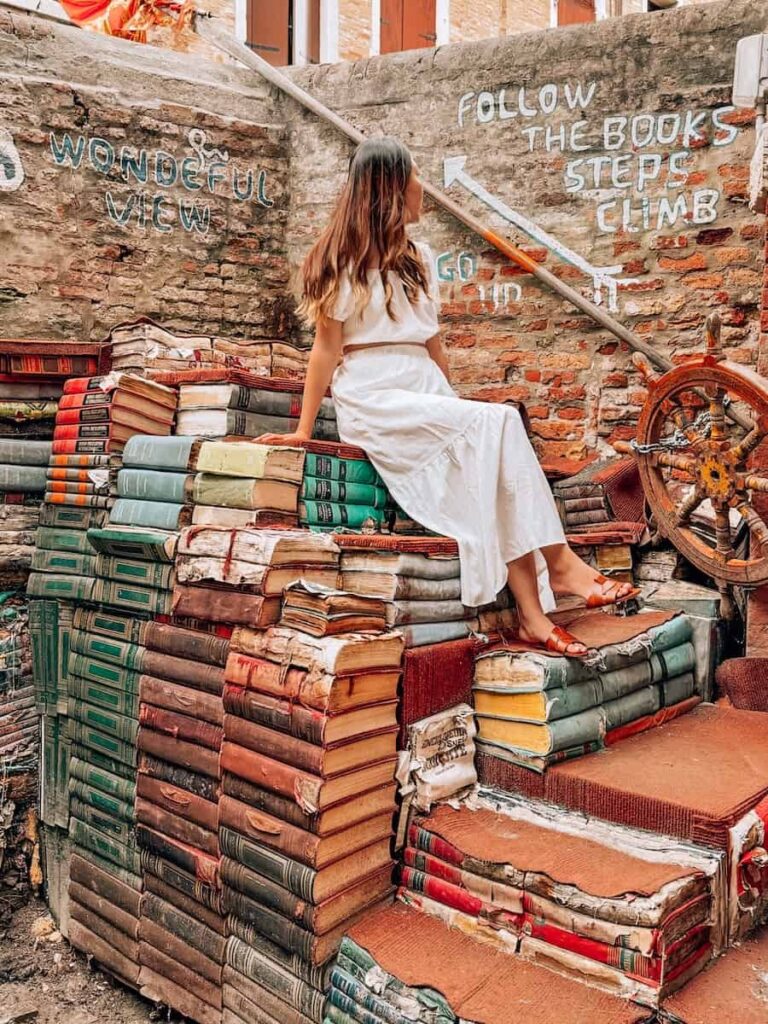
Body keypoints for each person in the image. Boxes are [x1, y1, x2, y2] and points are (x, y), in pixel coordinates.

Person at [256, 136, 639, 658]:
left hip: (424, 389)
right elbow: (325, 351)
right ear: (391, 187)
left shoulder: (420, 258)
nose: (423, 186)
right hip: (374, 395)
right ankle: (561, 562)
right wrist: (303, 430)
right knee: (499, 422)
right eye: (415, 175)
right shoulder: (337, 260)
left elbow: (433, 343)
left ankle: (532, 616)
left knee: (494, 445)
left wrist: (456, 406)